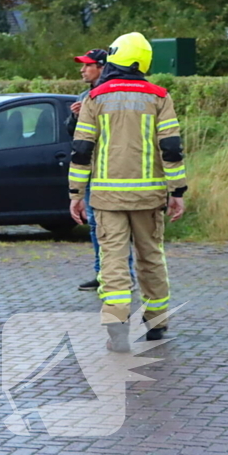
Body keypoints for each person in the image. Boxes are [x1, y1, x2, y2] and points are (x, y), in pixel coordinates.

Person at [69, 32, 187, 352]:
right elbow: (171, 149)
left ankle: (117, 329)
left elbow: (81, 150)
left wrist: (75, 194)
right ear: (143, 61)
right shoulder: (159, 96)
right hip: (149, 197)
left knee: (113, 262)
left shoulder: (96, 97)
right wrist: (177, 191)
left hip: (107, 199)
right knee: (151, 258)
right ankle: (156, 324)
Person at [68, 49, 134, 291]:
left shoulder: (113, 96)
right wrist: (76, 117)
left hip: (114, 171)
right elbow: (76, 136)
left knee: (117, 226)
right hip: (93, 171)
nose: (82, 70)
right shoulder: (86, 95)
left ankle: (124, 275)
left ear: (102, 67)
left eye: (87, 66)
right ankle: (102, 273)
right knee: (96, 226)